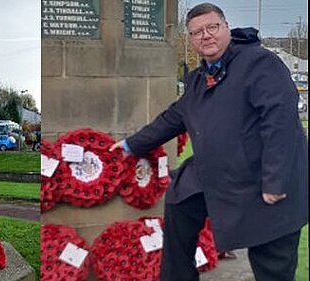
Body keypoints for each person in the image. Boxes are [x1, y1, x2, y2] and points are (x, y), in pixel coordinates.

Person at [109, 3, 308, 281]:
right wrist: (132, 145)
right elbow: (173, 118)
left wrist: (275, 182)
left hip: (266, 180)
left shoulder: (260, 63)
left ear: (226, 27)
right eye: (196, 32)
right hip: (223, 175)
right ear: (190, 39)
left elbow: (281, 123)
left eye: (212, 27)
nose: (206, 35)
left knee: (272, 264)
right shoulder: (199, 79)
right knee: (181, 199)